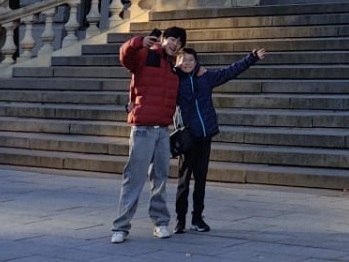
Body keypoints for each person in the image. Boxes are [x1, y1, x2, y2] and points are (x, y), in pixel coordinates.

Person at [171, 39, 267, 233]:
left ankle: (197, 218)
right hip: (187, 136)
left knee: (201, 179)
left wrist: (251, 58)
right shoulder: (173, 80)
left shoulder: (205, 77)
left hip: (205, 135)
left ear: (196, 62)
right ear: (177, 62)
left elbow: (229, 72)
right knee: (183, 180)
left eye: (190, 59)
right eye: (183, 60)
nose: (187, 63)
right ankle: (180, 221)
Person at [110, 27, 185, 243]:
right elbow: (125, 57)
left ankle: (161, 223)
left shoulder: (174, 69)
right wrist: (137, 42)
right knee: (134, 177)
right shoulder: (146, 55)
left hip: (163, 130)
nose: (175, 44)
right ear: (163, 39)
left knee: (160, 177)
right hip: (142, 128)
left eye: (179, 42)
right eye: (172, 39)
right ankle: (121, 227)